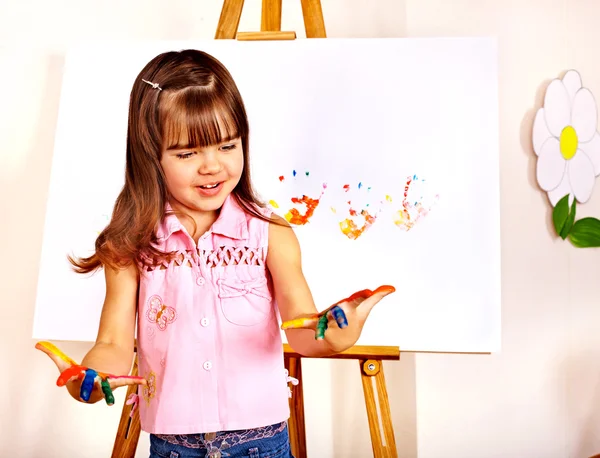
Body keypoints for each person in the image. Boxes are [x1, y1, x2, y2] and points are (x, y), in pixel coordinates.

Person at [36, 49, 395, 458]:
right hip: (173, 447)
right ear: (150, 156)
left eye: (227, 145)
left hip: (263, 443)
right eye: (187, 153)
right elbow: (114, 341)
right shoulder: (130, 246)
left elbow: (302, 329)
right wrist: (92, 375)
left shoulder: (271, 234)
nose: (212, 166)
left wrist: (333, 336)